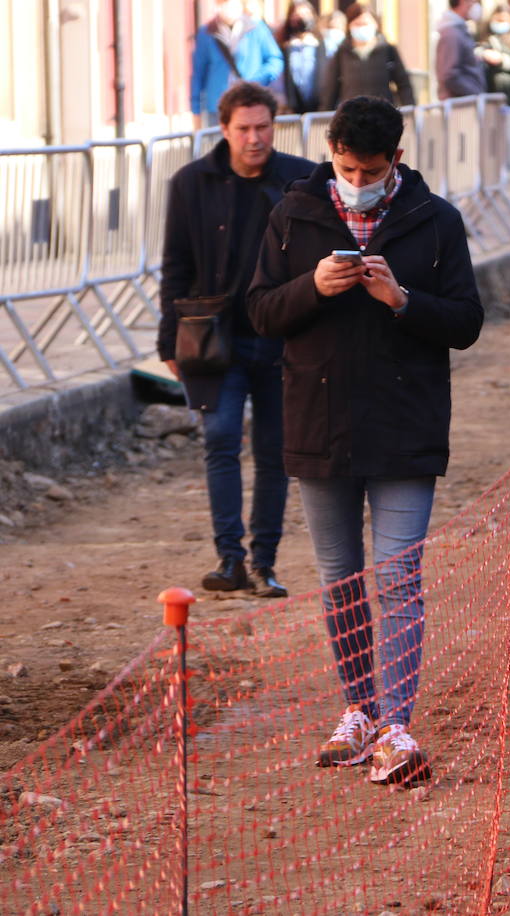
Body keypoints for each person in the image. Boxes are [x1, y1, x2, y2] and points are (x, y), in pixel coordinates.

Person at [247, 96, 484, 788]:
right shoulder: (295, 214)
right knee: (341, 580)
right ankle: (357, 709)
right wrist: (312, 288)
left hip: (405, 427)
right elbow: (261, 310)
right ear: (330, 154)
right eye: (346, 167)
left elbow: (466, 320)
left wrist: (404, 301)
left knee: (400, 579)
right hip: (319, 425)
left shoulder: (436, 221)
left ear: (397, 162)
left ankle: (396, 723)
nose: (357, 180)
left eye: (371, 170)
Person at [157, 82, 313, 598]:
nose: (254, 138)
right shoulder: (190, 183)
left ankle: (264, 563)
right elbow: (175, 268)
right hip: (212, 341)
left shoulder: (301, 180)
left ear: (275, 125)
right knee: (220, 441)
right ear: (223, 129)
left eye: (263, 127)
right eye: (244, 129)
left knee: (275, 453)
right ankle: (230, 558)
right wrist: (167, 343)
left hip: (280, 340)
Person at [191, 0, 284, 127]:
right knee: (220, 146)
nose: (228, 6)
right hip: (218, 107)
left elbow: (275, 60)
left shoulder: (256, 28)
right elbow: (198, 74)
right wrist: (196, 109)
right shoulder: (206, 32)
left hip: (250, 101)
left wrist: (257, 81)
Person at [320, 4, 414, 111]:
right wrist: (325, 113)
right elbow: (331, 88)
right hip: (352, 115)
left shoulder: (388, 50)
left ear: (376, 24)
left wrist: (409, 110)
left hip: (383, 113)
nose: (361, 28)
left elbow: (403, 83)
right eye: (357, 24)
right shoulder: (342, 52)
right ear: (349, 26)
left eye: (365, 23)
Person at [276, 2, 325, 114]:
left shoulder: (320, 44)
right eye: (297, 15)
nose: (302, 18)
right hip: (292, 108)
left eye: (305, 13)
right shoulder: (283, 46)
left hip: (317, 106)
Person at [477, 3, 510, 105]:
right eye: (498, 20)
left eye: (504, 20)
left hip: (508, 91)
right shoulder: (484, 37)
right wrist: (484, 54)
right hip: (487, 89)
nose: (501, 23)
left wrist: (502, 59)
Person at [436, 0, 486, 101]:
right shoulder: (451, 33)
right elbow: (449, 75)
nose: (474, 6)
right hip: (460, 108)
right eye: (472, 2)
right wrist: (475, 92)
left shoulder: (459, 30)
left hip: (464, 104)